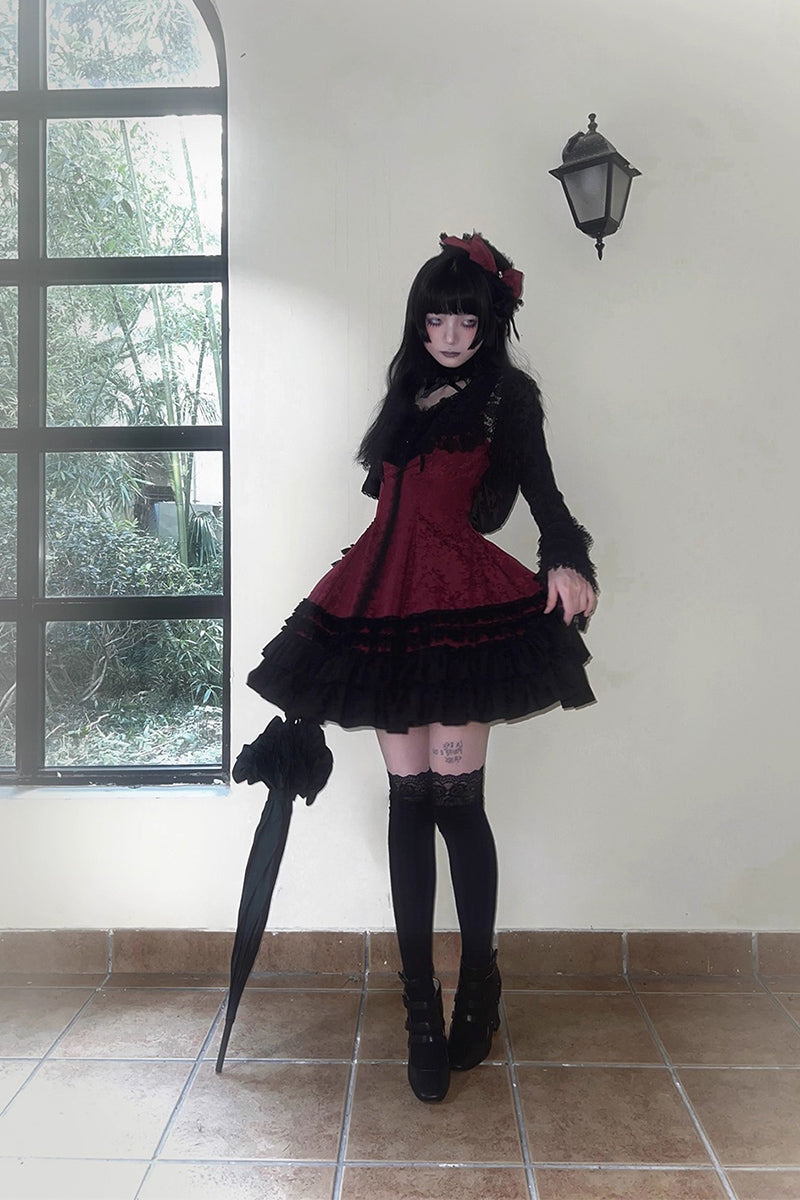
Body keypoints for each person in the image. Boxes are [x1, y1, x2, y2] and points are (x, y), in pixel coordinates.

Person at [247, 231, 597, 1103]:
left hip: (459, 604)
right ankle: (419, 1009)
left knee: (456, 805)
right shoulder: (405, 390)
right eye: (437, 317)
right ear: (420, 321)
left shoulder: (506, 398)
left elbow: (543, 490)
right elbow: (390, 507)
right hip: (386, 599)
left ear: (489, 322)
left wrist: (566, 558)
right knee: (407, 804)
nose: (449, 333)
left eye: (466, 319)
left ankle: (479, 982)